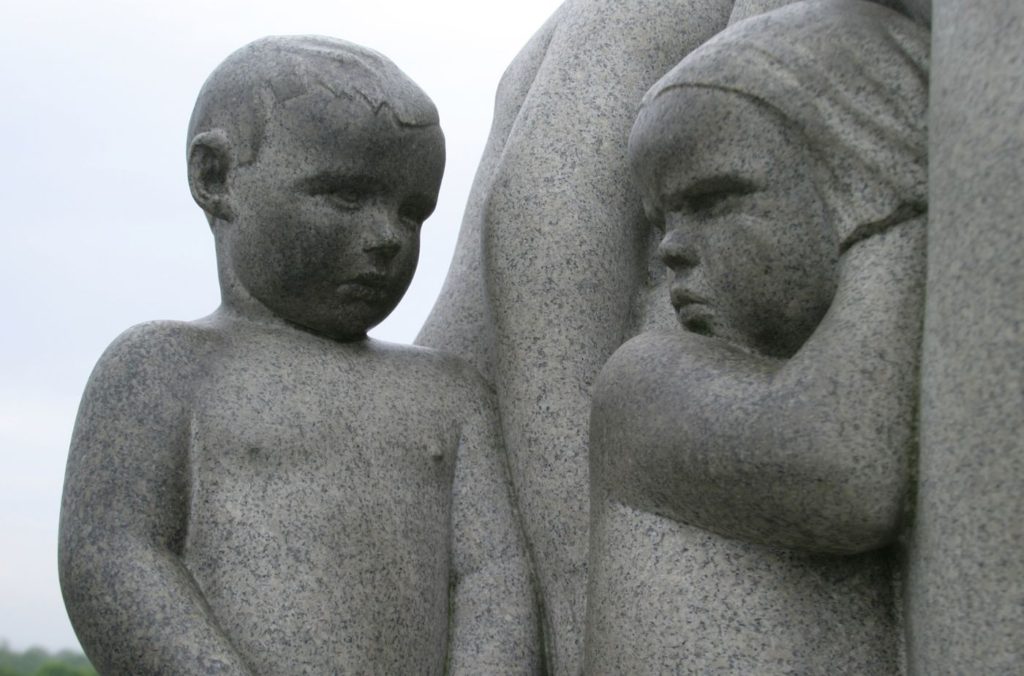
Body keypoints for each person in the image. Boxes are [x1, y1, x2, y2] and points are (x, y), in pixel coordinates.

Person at [58, 36, 538, 675]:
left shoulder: (452, 394)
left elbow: (492, 575)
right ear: (216, 176)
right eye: (343, 196)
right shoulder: (161, 366)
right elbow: (114, 558)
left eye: (413, 213)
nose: (387, 238)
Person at [585, 1, 929, 672]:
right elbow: (846, 473)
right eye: (661, 220)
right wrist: (896, 220)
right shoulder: (641, 385)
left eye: (711, 201)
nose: (671, 250)